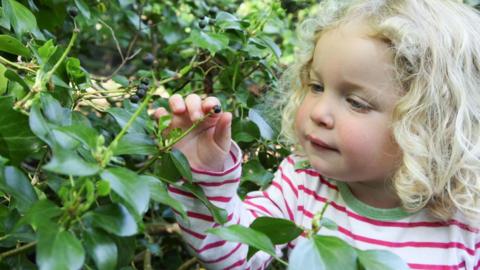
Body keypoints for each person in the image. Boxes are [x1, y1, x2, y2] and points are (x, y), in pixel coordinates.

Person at [154, 0, 480, 268]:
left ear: (430, 126)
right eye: (316, 85)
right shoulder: (302, 183)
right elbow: (237, 251)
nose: (318, 112)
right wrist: (204, 176)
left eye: (356, 102)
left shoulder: (466, 227)